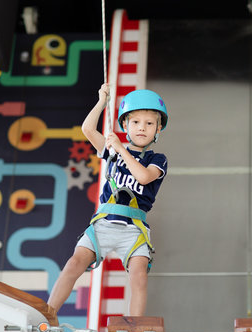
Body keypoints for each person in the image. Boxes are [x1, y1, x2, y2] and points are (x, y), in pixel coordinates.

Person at [48, 83, 168, 316]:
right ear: (124, 125)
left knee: (139, 276)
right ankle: (49, 313)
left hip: (134, 229)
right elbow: (87, 129)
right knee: (74, 264)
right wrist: (102, 101)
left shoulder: (158, 159)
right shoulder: (113, 148)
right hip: (103, 224)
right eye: (135, 122)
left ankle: (134, 329)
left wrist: (121, 150)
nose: (142, 128)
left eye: (149, 123)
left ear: (158, 129)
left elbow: (143, 177)